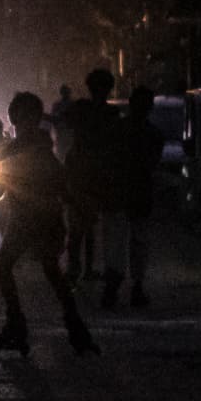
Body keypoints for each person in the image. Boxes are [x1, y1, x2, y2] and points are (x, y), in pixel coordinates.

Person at [0, 92, 98, 357]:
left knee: (7, 266)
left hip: (27, 219)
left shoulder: (24, 147)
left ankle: (18, 323)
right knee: (51, 272)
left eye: (22, 117)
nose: (20, 122)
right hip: (43, 217)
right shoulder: (40, 145)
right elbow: (59, 182)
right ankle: (74, 328)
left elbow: (4, 184)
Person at [94, 85, 162, 309]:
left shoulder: (118, 130)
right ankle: (132, 288)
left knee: (117, 243)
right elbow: (152, 165)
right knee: (137, 242)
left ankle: (114, 288)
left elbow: (105, 163)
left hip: (119, 194)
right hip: (136, 194)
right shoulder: (151, 134)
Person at [62, 68, 120, 280]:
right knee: (88, 225)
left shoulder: (82, 108)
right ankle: (83, 268)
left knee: (78, 224)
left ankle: (75, 268)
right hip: (96, 173)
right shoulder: (111, 114)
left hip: (79, 171)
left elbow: (64, 122)